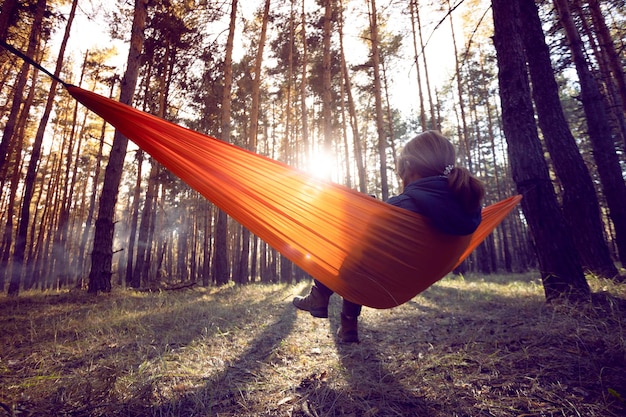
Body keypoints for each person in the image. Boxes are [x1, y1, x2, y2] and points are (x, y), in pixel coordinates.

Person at [293, 130, 486, 343]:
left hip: (380, 281)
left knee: (349, 236)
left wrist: (364, 213)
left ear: (409, 168)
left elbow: (357, 256)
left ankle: (320, 295)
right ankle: (347, 325)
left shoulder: (403, 208)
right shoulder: (470, 208)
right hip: (408, 279)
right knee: (361, 250)